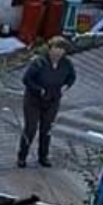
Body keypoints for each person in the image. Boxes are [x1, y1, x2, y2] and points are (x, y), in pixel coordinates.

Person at [18, 35, 76, 168]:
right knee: (30, 129)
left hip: (53, 101)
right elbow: (26, 79)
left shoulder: (66, 64)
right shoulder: (39, 62)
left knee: (47, 129)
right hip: (34, 100)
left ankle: (43, 156)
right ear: (50, 49)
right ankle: (22, 156)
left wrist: (65, 87)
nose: (58, 52)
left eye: (61, 49)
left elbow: (71, 77)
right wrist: (39, 89)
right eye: (56, 48)